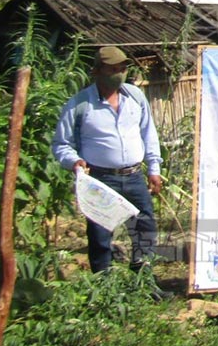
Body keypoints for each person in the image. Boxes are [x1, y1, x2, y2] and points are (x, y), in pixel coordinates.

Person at [51, 46, 163, 275]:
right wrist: (74, 161)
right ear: (97, 71)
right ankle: (103, 286)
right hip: (100, 179)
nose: (120, 74)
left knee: (144, 227)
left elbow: (148, 133)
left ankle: (143, 280)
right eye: (113, 70)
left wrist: (154, 168)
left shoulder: (135, 97)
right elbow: (61, 144)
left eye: (122, 69)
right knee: (100, 233)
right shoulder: (80, 104)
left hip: (133, 176)